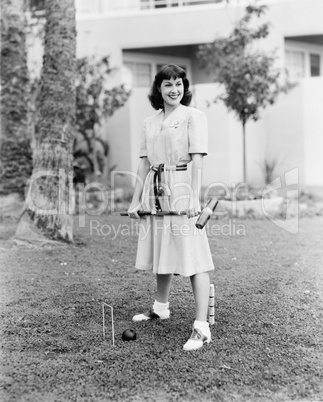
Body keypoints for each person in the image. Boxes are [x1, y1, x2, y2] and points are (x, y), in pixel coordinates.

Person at [127, 64, 214, 351]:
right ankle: (160, 307)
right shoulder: (149, 122)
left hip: (181, 186)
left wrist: (194, 198)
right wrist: (135, 199)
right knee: (161, 247)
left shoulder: (193, 116)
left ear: (184, 88)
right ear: (159, 90)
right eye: (168, 85)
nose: (174, 89)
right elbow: (143, 162)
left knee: (193, 255)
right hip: (154, 187)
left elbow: (198, 159)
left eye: (178, 84)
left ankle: (201, 327)